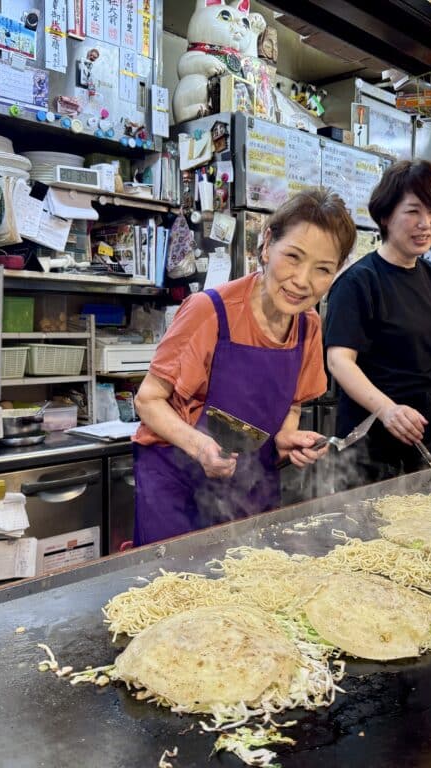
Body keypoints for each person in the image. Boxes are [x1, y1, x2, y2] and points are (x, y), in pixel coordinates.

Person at [131, 189, 358, 545]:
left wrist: (286, 437)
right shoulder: (209, 311)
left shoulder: (308, 326)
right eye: (293, 257)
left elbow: (293, 402)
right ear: (267, 244)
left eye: (323, 270)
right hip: (178, 487)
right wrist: (201, 447)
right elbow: (148, 401)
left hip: (252, 485)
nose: (302, 280)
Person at [324, 159, 431, 484]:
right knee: (365, 529)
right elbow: (339, 361)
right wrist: (388, 408)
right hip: (372, 437)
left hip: (430, 431)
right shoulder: (359, 282)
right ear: (385, 216)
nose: (426, 223)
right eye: (413, 211)